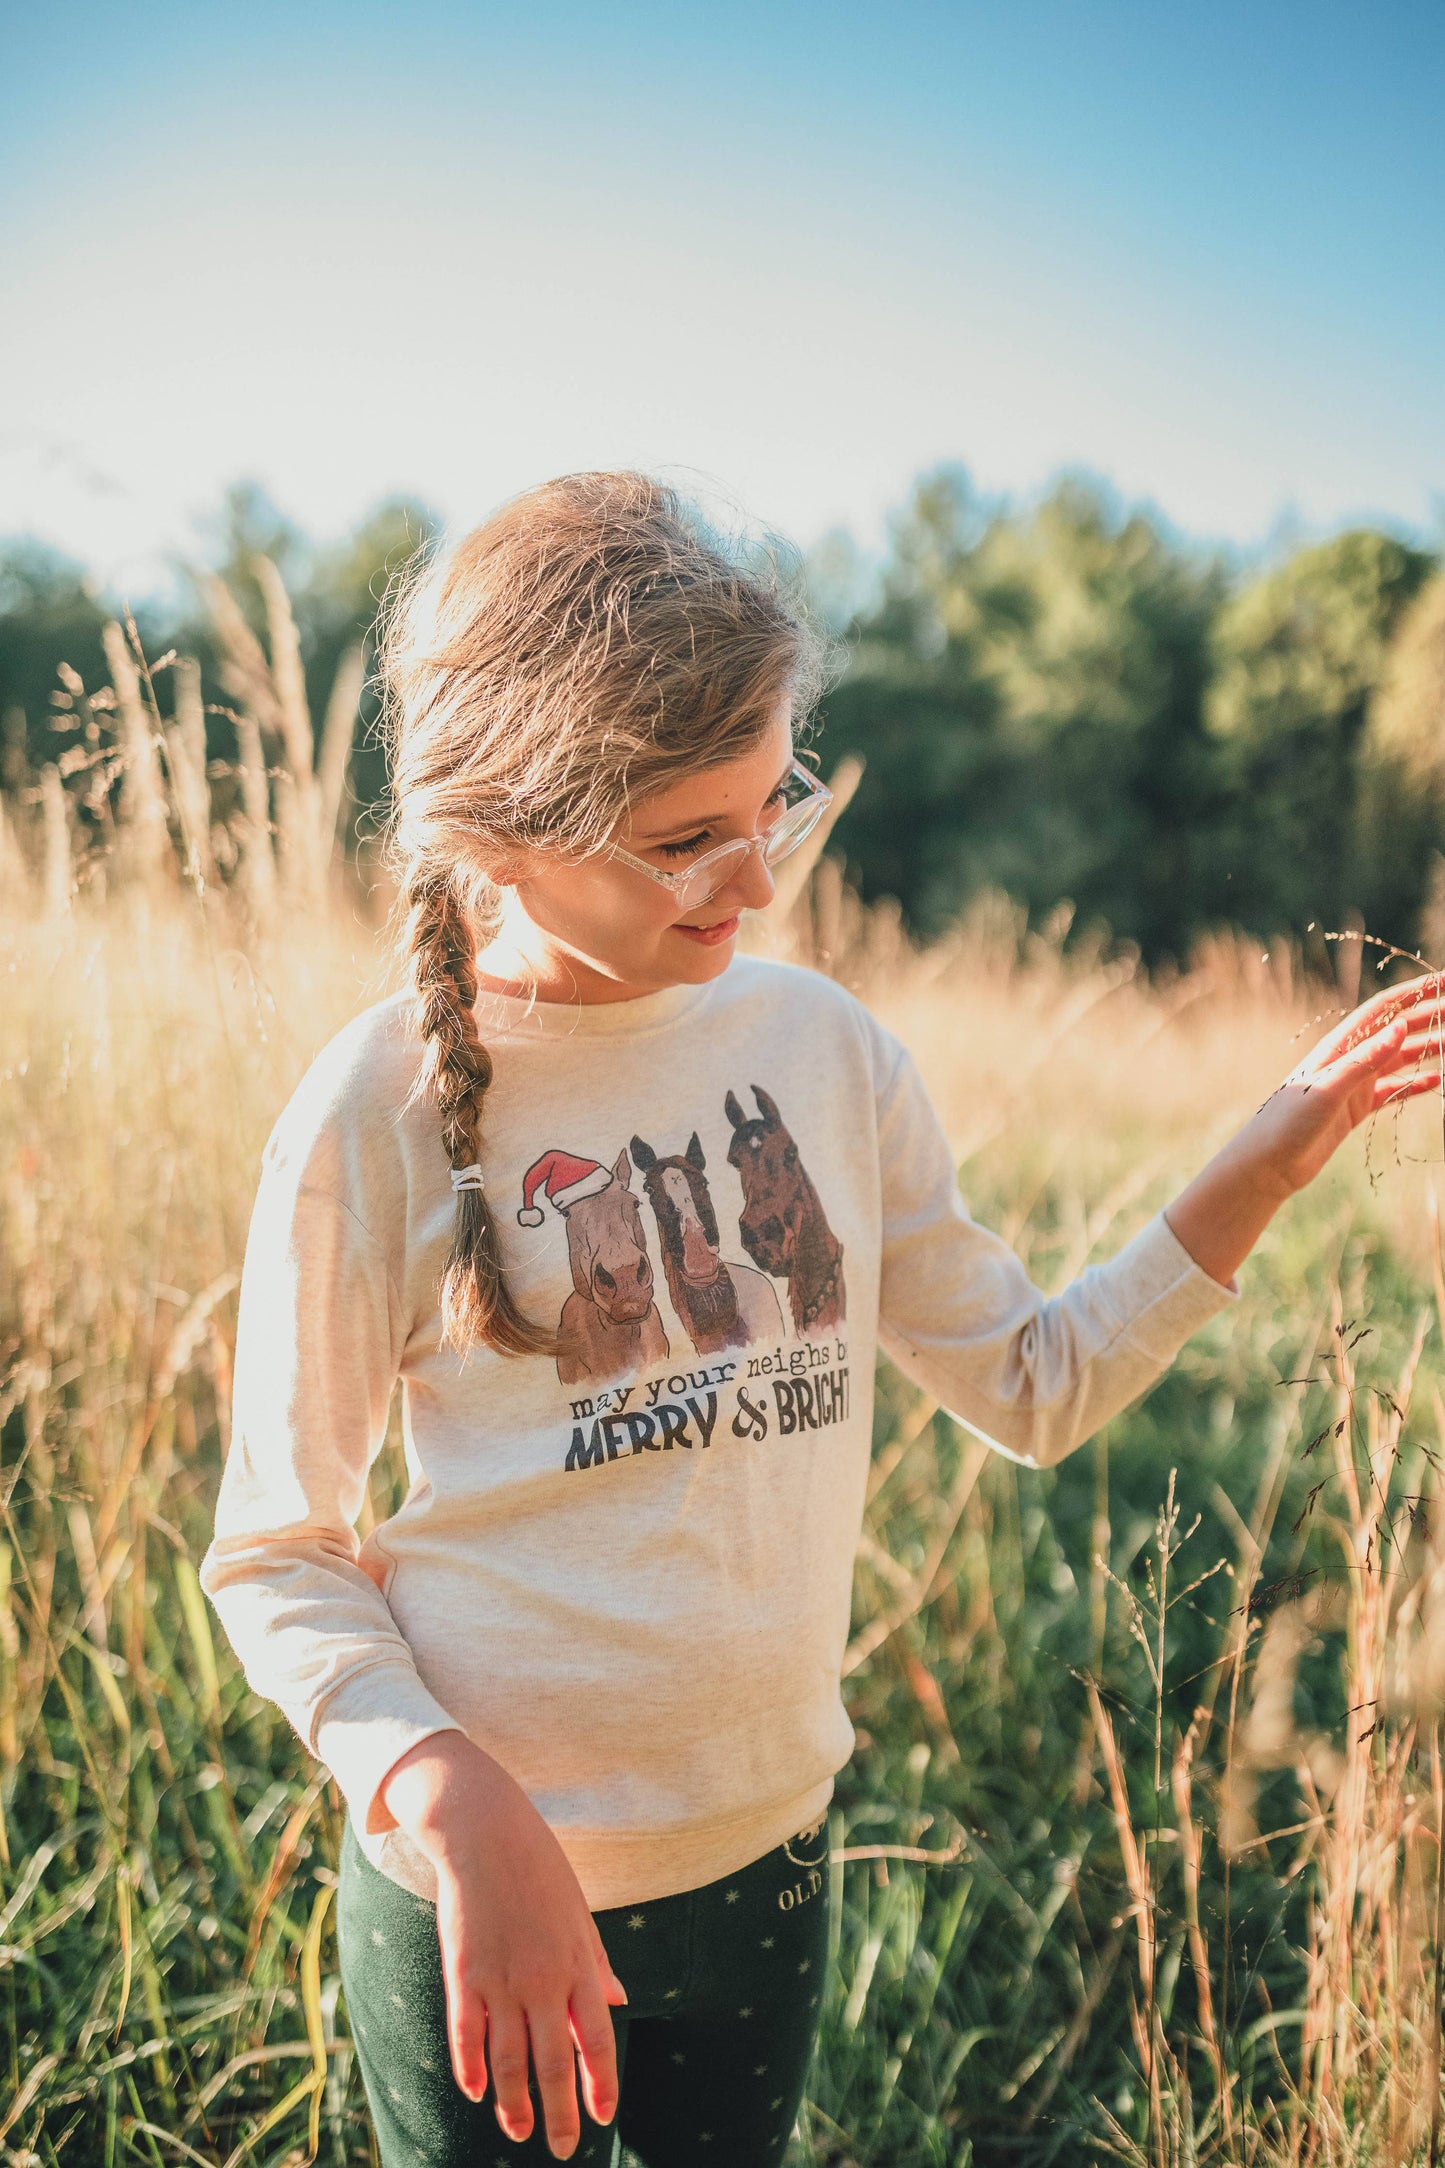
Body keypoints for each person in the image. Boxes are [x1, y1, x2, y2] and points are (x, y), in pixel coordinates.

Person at [199, 471, 1443, 2168]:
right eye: (684, 842)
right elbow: (275, 1548)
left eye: (768, 802)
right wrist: (440, 1789)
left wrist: (1265, 1160)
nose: (759, 879)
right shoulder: (374, 1113)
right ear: (495, 838)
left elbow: (1032, 1382)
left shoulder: (825, 1055)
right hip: (484, 1900)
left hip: (767, 1864)